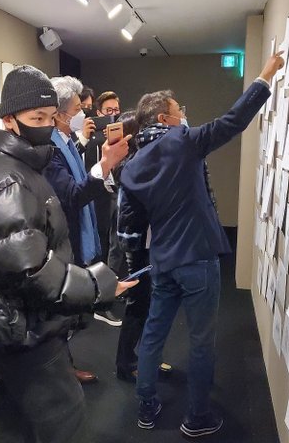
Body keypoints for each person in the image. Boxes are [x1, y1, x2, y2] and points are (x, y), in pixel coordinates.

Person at [0, 65, 136, 443]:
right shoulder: (8, 181)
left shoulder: (11, 169)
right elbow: (32, 271)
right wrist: (101, 285)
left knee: (14, 421)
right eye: (35, 118)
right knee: (64, 420)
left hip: (10, 323)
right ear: (9, 120)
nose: (45, 126)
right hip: (24, 327)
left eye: (49, 117)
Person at [117, 52, 284, 437]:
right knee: (201, 342)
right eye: (180, 110)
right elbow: (232, 122)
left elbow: (132, 223)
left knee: (153, 335)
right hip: (197, 259)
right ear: (165, 118)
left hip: (162, 261)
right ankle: (197, 417)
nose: (184, 115)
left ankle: (146, 407)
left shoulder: (133, 165)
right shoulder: (183, 141)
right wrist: (264, 76)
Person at [44, 76, 130, 381]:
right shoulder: (50, 149)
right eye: (77, 109)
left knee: (65, 313)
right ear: (59, 114)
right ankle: (58, 372)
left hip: (72, 235)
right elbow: (72, 196)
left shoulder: (66, 141)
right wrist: (105, 164)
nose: (83, 114)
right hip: (60, 238)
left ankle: (63, 368)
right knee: (58, 311)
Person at [113, 111, 172, 383]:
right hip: (139, 244)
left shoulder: (136, 162)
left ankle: (145, 358)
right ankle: (126, 364)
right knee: (139, 304)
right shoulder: (130, 165)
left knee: (150, 304)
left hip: (149, 241)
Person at [82, 90, 125, 326]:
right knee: (102, 245)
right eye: (108, 111)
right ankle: (99, 301)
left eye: (116, 110)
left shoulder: (124, 136)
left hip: (118, 195)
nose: (113, 115)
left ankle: (112, 290)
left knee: (116, 245)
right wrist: (89, 139)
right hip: (97, 199)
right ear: (98, 113)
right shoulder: (89, 139)